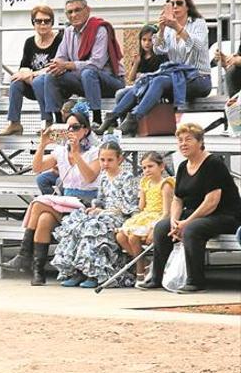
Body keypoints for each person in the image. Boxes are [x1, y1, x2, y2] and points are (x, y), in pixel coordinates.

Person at [1, 108, 102, 285]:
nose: (71, 132)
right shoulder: (61, 151)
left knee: (39, 204)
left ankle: (24, 254)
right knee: (44, 219)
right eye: (68, 128)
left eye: (76, 127)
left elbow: (90, 177)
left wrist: (76, 154)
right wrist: (42, 145)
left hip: (86, 203)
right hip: (67, 200)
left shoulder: (94, 152)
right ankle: (38, 272)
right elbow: (37, 168)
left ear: (86, 130)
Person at [138, 123, 241, 293]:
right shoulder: (182, 166)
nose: (183, 144)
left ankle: (196, 281)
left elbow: (212, 201)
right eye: (180, 140)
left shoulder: (213, 163)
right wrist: (174, 221)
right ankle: (156, 278)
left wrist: (186, 223)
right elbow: (178, 199)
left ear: (200, 142)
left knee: (192, 229)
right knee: (161, 227)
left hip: (224, 214)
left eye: (188, 139)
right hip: (194, 213)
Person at [100, 0, 213, 135]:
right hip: (176, 78)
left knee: (158, 80)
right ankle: (112, 118)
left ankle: (134, 118)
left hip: (199, 78)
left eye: (179, 3)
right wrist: (161, 30)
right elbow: (159, 50)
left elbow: (197, 46)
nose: (175, 7)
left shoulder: (198, 23)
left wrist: (177, 27)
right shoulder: (169, 29)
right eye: (171, 4)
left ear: (187, 7)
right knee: (140, 84)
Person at [50, 142, 138, 288]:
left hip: (119, 217)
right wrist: (95, 207)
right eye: (102, 160)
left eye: (110, 160)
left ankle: (94, 272)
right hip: (103, 214)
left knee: (93, 227)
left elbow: (128, 206)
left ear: (119, 159)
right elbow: (101, 199)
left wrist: (103, 212)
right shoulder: (103, 177)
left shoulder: (127, 177)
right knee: (76, 224)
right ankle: (77, 270)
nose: (105, 163)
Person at [41, 0, 125, 127]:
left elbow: (96, 63)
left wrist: (67, 65)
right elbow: (60, 57)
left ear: (88, 10)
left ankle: (97, 119)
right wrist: (57, 66)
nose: (74, 15)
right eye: (70, 12)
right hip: (84, 82)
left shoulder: (99, 29)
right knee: (51, 75)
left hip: (110, 81)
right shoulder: (68, 32)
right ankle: (58, 121)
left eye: (77, 10)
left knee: (88, 72)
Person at [0, 5, 64, 135]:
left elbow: (55, 66)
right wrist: (25, 75)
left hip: (53, 84)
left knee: (40, 80)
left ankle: (47, 121)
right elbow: (24, 65)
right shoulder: (29, 42)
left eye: (47, 21)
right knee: (16, 82)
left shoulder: (59, 40)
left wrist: (32, 74)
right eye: (38, 21)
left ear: (52, 22)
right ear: (33, 23)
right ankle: (14, 123)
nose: (43, 24)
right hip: (33, 83)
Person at [115, 152, 174, 281]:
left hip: (158, 217)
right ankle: (145, 262)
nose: (147, 170)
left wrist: (154, 228)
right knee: (120, 236)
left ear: (161, 166)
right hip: (145, 215)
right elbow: (141, 206)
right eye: (144, 167)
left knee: (133, 237)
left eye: (150, 166)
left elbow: (167, 212)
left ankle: (140, 271)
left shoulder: (166, 185)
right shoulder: (145, 183)